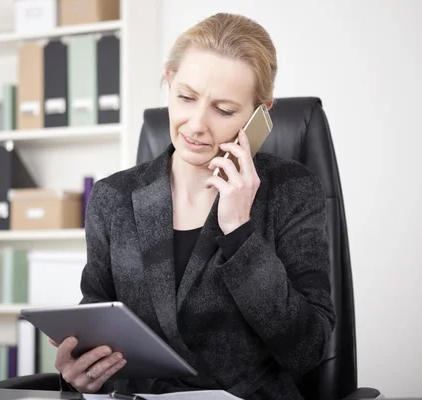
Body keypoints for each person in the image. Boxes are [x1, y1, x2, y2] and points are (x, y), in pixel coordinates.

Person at [51, 12, 336, 400]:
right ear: (169, 82)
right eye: (186, 97)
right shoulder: (113, 199)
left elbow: (308, 349)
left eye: (223, 110)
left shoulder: (291, 190)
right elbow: (94, 332)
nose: (196, 124)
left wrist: (239, 231)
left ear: (260, 113)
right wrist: (81, 374)